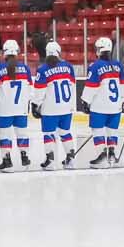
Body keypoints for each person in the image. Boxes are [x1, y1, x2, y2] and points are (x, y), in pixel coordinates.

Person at [82, 36, 124, 167]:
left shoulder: (95, 66)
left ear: (99, 50)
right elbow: (123, 85)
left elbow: (91, 86)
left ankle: (102, 156)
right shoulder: (118, 65)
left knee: (97, 130)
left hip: (99, 106)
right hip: (115, 106)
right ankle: (112, 154)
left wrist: (85, 101)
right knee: (112, 130)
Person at [33, 40, 78, 170]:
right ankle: (71, 159)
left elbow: (39, 91)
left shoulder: (43, 69)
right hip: (66, 107)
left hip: (50, 108)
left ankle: (50, 161)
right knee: (65, 132)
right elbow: (73, 85)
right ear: (59, 52)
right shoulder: (68, 66)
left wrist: (35, 105)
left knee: (48, 133)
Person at [0, 39, 33, 171]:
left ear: (5, 53)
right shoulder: (25, 68)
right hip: (21, 108)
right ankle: (25, 157)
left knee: (5, 135)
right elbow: (30, 89)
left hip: (4, 109)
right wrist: (27, 103)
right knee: (22, 133)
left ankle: (7, 161)